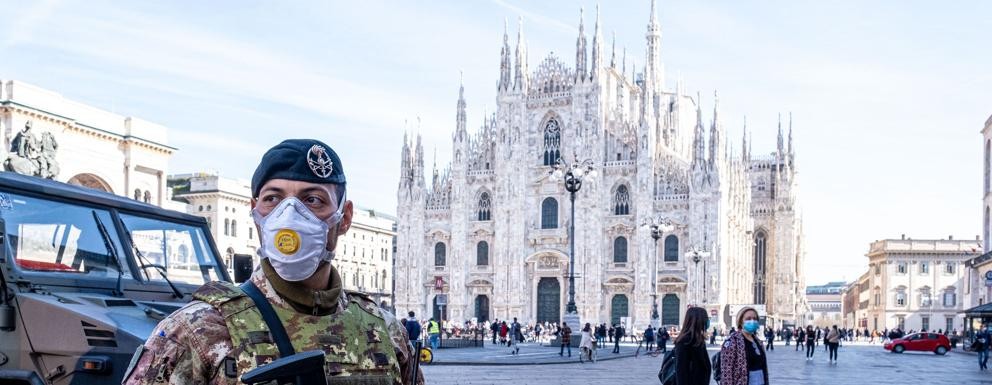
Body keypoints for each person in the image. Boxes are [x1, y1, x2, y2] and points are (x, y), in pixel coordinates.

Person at [122, 139, 422, 384]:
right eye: (273, 199)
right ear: (255, 213)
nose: (289, 216)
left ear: (344, 218)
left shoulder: (386, 331)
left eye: (312, 199)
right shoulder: (196, 329)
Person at [720, 307, 769, 385]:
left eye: (755, 318)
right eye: (748, 318)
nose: (752, 321)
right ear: (741, 321)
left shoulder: (758, 341)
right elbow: (726, 372)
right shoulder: (732, 341)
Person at [675, 307, 712, 385]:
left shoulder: (698, 339)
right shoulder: (685, 341)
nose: (707, 321)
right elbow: (681, 371)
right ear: (698, 320)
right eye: (706, 318)